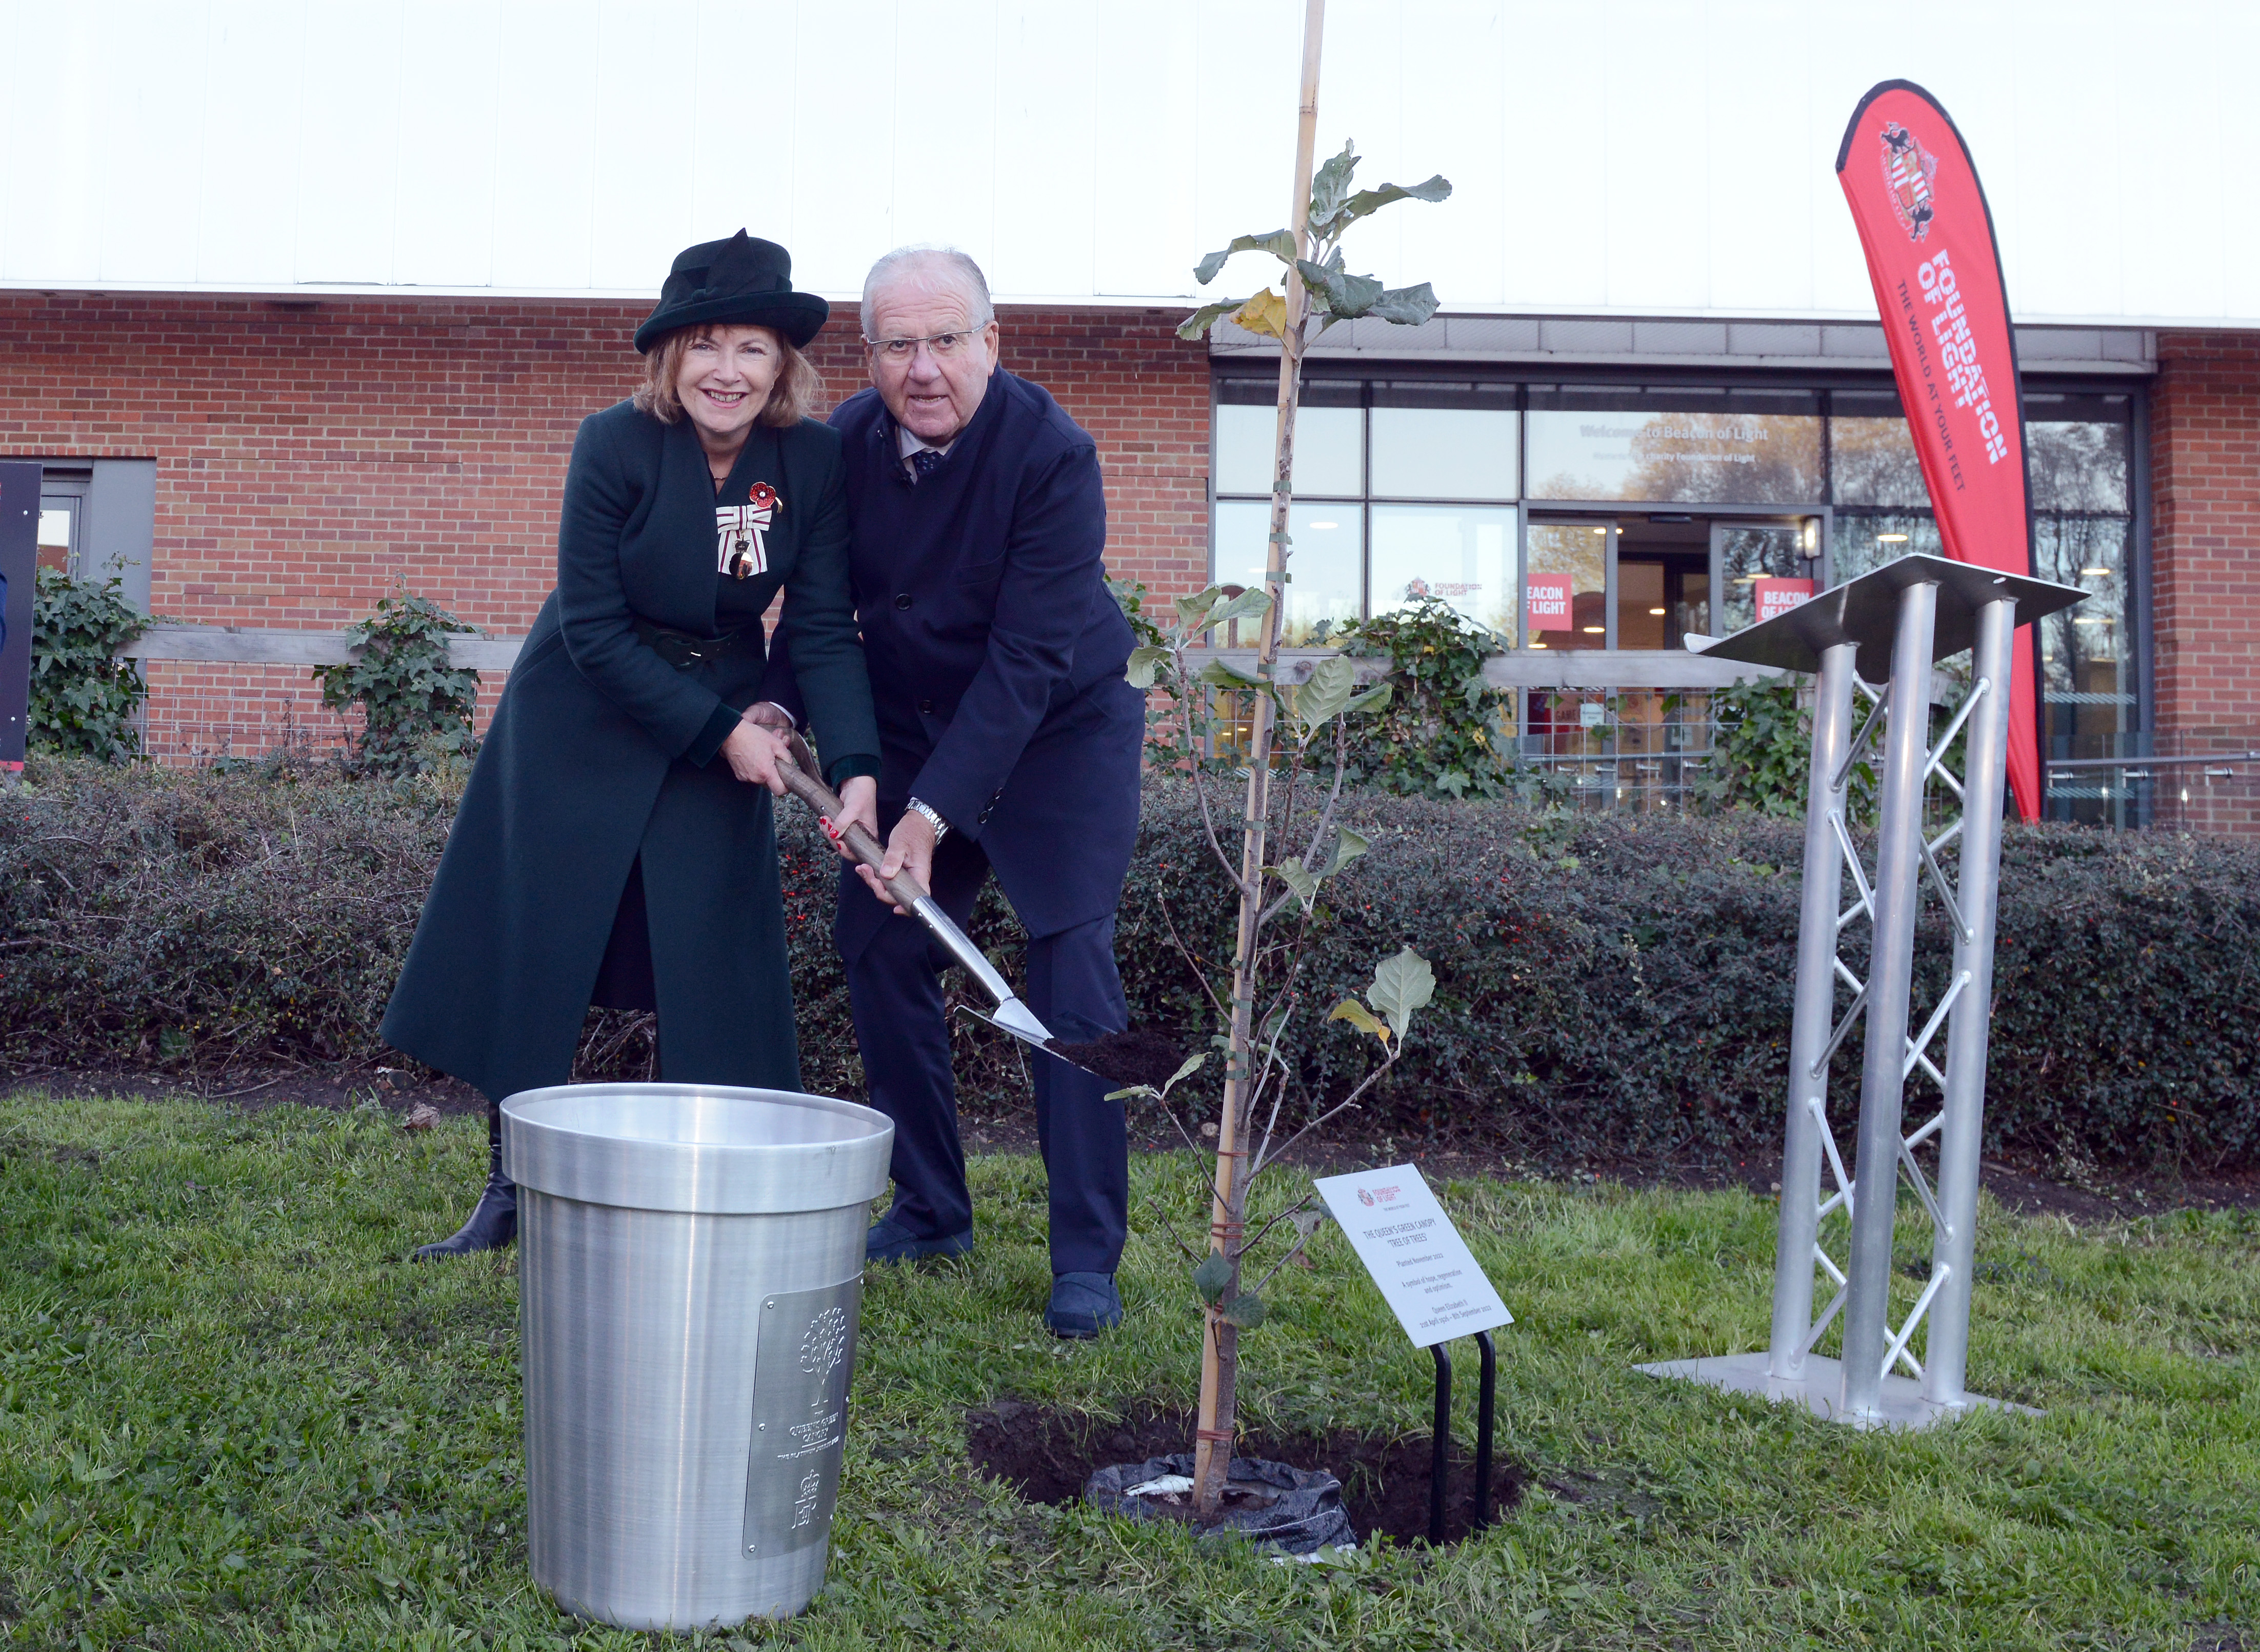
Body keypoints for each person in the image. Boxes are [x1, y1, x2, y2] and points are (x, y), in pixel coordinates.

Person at [382, 231, 881, 1259]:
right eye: (705, 345)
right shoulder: (611, 443)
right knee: (541, 941)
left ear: (782, 364)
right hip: (582, 709)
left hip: (725, 702)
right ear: (669, 357)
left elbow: (823, 624)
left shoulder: (814, 459)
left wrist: (856, 766)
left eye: (752, 347)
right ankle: (510, 1185)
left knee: (714, 946)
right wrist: (719, 732)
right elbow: (594, 629)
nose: (726, 370)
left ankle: (720, 1182)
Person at [764, 247, 1144, 1338]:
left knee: (1069, 967)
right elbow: (817, 612)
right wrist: (781, 709)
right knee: (880, 946)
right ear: (867, 355)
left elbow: (1027, 660)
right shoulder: (838, 448)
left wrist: (929, 816)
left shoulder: (1054, 456)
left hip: (1057, 730)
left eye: (945, 340)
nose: (922, 368)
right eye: (898, 345)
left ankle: (1087, 1257)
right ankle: (931, 1210)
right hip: (909, 722)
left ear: (991, 343)